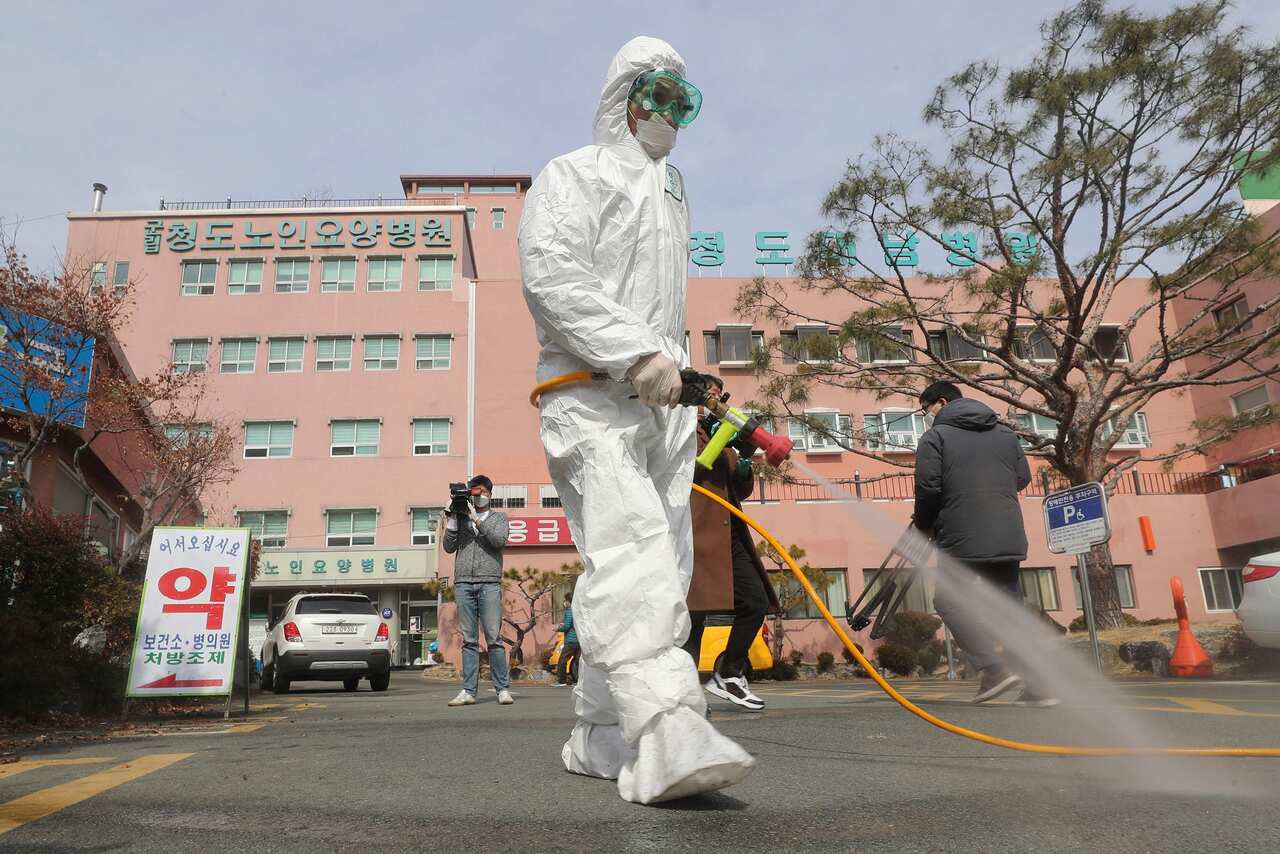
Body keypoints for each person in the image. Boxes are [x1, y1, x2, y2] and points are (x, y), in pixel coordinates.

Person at [519, 36, 755, 804]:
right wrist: (633, 354)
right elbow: (554, 274)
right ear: (622, 97)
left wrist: (678, 372)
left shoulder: (673, 191)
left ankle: (596, 733)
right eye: (655, 96)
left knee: (659, 569)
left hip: (660, 412)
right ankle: (668, 729)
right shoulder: (572, 174)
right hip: (591, 396)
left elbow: (662, 302)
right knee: (634, 554)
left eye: (682, 103)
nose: (668, 114)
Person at [912, 381, 1059, 707]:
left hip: (960, 536)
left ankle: (993, 670)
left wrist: (923, 525)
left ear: (941, 402)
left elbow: (928, 488)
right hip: (1006, 534)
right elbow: (1021, 478)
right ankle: (1040, 686)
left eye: (926, 409)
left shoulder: (935, 438)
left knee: (949, 602)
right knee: (1008, 607)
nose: (926, 415)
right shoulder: (1005, 434)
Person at [683, 378, 779, 711]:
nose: (715, 399)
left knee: (754, 601)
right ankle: (683, 693)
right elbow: (684, 477)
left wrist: (746, 458)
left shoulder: (720, 434)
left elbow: (741, 489)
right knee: (693, 616)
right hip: (695, 533)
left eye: (718, 394)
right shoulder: (682, 431)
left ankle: (730, 671)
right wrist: (714, 438)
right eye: (708, 393)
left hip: (730, 530)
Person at [442, 475, 514, 707]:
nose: (478, 496)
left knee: (494, 638)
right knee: (469, 640)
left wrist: (477, 520)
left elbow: (498, 540)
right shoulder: (461, 520)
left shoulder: (499, 518)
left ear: (490, 494)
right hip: (464, 582)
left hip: (490, 582)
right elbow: (448, 546)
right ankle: (468, 691)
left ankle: (502, 689)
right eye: (473, 492)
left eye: (481, 492)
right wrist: (453, 519)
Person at [555, 592, 580, 686]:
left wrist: (558, 628)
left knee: (562, 660)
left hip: (571, 640)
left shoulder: (569, 610)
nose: (564, 602)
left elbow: (567, 626)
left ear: (569, 601)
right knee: (576, 661)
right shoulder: (578, 610)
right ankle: (577, 680)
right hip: (578, 640)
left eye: (565, 600)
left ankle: (562, 680)